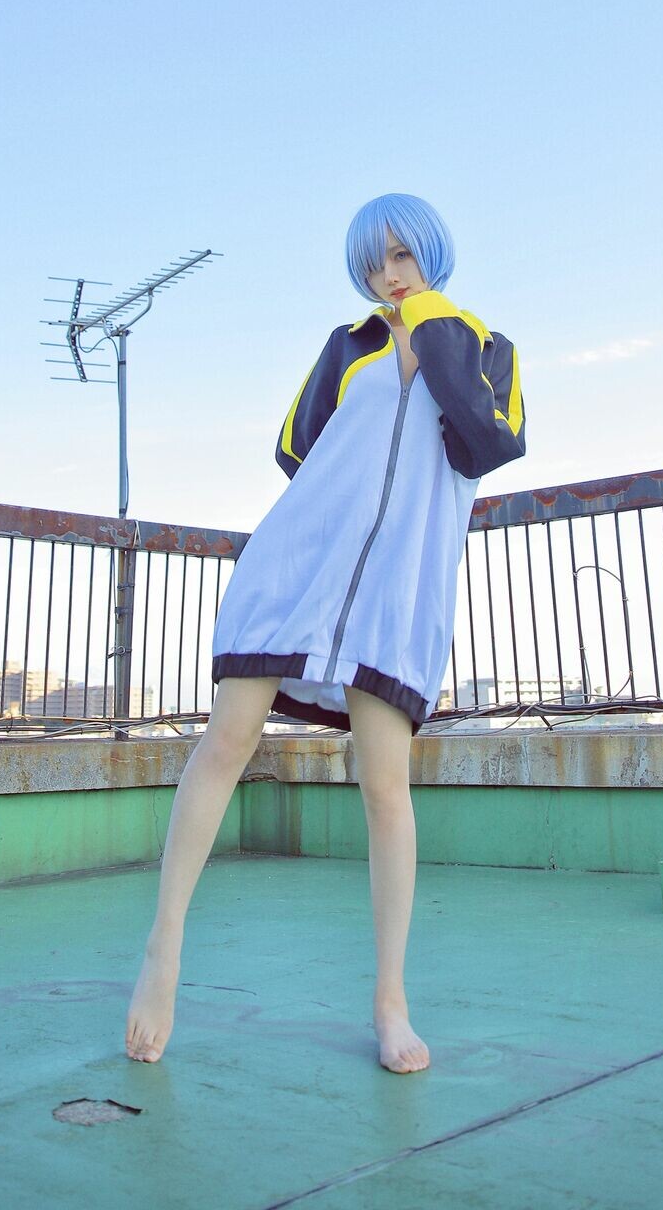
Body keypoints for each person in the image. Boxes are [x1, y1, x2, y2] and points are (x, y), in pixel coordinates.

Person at [125, 192, 526, 1072]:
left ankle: (391, 1002)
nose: (389, 275)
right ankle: (164, 948)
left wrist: (431, 320)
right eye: (375, 263)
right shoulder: (348, 347)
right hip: (298, 568)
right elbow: (297, 453)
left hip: (394, 593)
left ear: (432, 253)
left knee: (385, 788)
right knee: (226, 741)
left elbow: (482, 442)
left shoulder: (484, 347)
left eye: (403, 256)